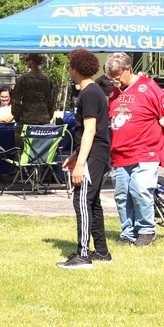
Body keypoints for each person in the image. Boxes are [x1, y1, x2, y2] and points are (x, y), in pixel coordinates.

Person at [105, 52, 164, 246]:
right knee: (122, 196)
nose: (114, 79)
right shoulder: (113, 93)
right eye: (111, 76)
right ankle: (128, 233)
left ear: (128, 69)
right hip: (119, 154)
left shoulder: (149, 87)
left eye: (117, 75)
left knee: (141, 190)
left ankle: (146, 231)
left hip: (146, 151)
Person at [58, 48, 112, 269]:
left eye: (70, 65)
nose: (69, 69)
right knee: (93, 202)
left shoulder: (88, 94)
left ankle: (83, 255)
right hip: (95, 153)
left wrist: (80, 164)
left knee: (81, 201)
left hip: (93, 155)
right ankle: (101, 251)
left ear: (75, 68)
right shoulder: (95, 91)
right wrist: (74, 156)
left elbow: (90, 130)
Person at [11, 53, 55, 126]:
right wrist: (47, 116)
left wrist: (17, 116)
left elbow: (16, 100)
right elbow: (51, 101)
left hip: (26, 119)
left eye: (27, 60)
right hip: (43, 119)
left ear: (31, 61)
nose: (27, 62)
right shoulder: (47, 80)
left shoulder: (23, 79)